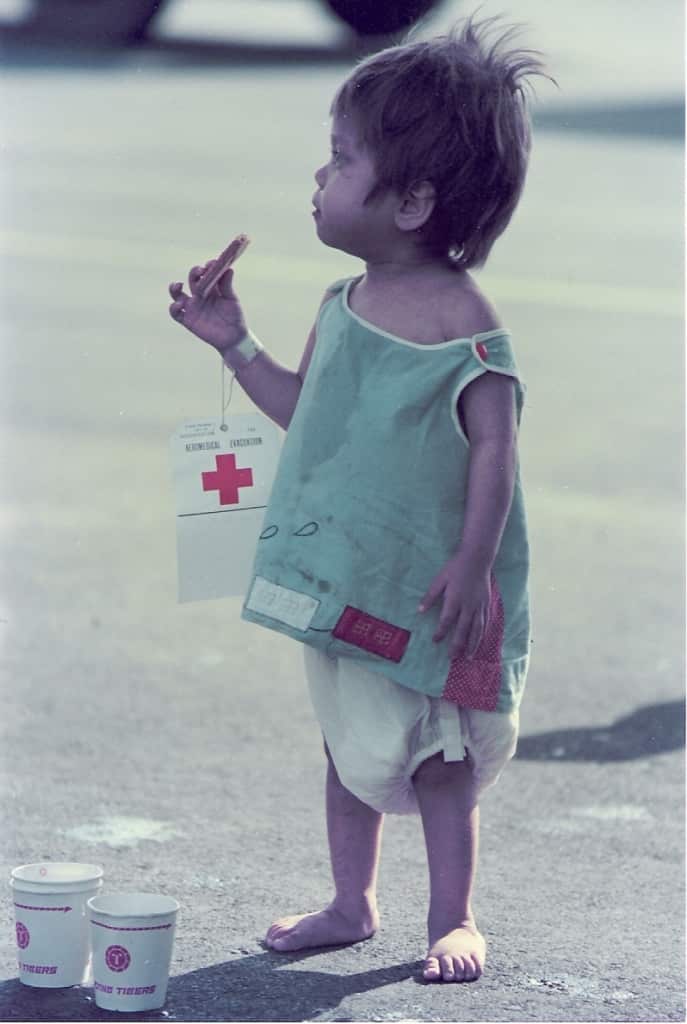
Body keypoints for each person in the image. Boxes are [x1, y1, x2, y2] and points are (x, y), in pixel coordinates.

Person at [168, 15, 551, 984]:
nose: (319, 179)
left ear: (414, 199)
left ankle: (453, 917)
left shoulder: (467, 327)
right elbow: (310, 413)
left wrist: (471, 562)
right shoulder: (343, 304)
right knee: (345, 747)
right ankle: (351, 898)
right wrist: (235, 345)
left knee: (437, 763)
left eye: (339, 161)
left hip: (432, 588)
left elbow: (496, 452)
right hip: (356, 576)